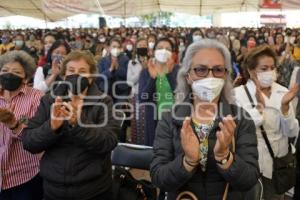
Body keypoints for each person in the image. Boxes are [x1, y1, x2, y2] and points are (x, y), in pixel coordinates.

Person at [150, 39, 259, 200]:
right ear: (188, 76)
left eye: (218, 70)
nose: (210, 76)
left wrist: (224, 157)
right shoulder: (170, 119)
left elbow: (249, 179)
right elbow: (159, 177)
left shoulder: (240, 119)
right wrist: (187, 162)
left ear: (226, 75)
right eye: (201, 70)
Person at [22, 51, 120, 200]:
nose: (76, 75)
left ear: (91, 77)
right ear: (63, 75)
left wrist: (78, 124)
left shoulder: (103, 102)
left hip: (94, 190)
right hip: (53, 189)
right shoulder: (50, 101)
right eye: (71, 71)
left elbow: (109, 141)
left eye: (82, 72)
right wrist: (51, 127)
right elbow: (29, 142)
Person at [234, 45, 299, 200]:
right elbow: (239, 130)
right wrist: (258, 110)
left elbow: (292, 132)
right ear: (251, 71)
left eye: (272, 67)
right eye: (264, 68)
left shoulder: (283, 92)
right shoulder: (238, 94)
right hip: (251, 163)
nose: (269, 72)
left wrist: (285, 109)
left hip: (279, 164)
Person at [0, 50, 43, 200]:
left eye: (16, 72)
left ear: (26, 77)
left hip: (25, 175)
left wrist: (13, 124)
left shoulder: (36, 98)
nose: (8, 74)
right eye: (4, 70)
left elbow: (37, 136)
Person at [138, 38, 179, 146]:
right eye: (160, 48)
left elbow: (182, 96)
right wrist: (152, 78)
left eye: (168, 49)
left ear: (173, 53)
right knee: (155, 151)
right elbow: (142, 98)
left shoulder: (178, 70)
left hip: (175, 119)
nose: (164, 51)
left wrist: (170, 74)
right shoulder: (146, 72)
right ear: (153, 51)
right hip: (153, 119)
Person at [127, 38, 149, 144]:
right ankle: (137, 145)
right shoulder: (132, 62)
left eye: (145, 45)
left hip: (149, 95)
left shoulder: (152, 61)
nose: (142, 47)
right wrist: (142, 70)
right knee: (137, 122)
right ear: (136, 48)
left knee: (147, 121)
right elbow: (129, 82)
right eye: (140, 45)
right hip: (136, 94)